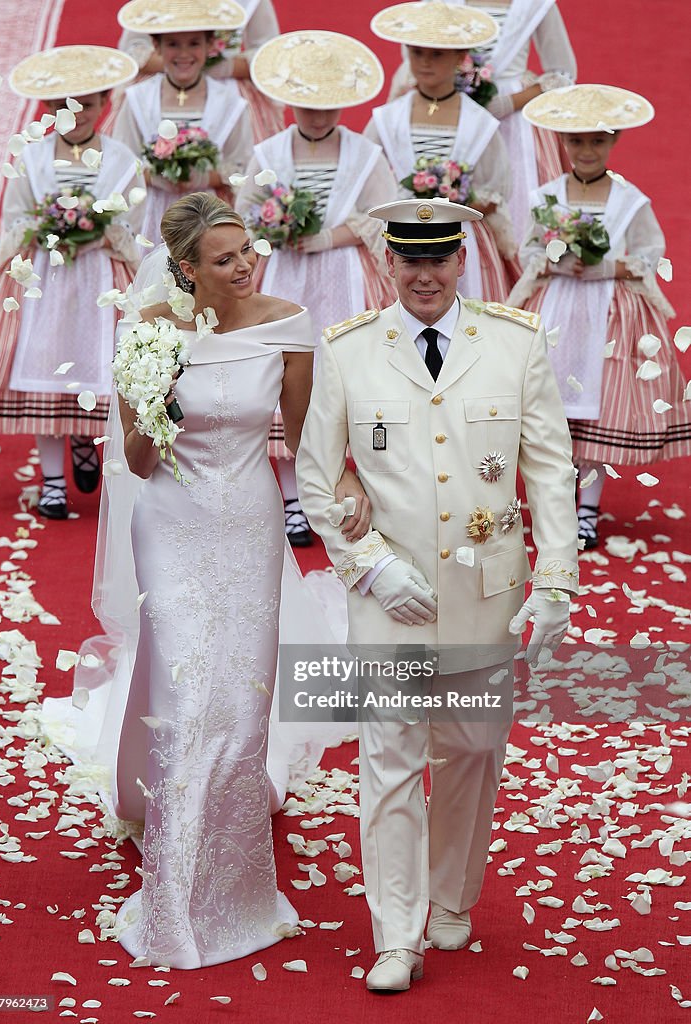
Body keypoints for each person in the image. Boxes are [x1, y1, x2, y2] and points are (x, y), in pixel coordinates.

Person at [41, 192, 367, 968]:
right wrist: (159, 403)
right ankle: (176, 893)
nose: (246, 265)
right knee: (189, 695)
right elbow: (140, 458)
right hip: (172, 522)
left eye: (247, 251)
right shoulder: (149, 329)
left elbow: (308, 437)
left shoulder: (287, 323)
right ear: (187, 270)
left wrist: (348, 498)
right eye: (225, 260)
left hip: (249, 519)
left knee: (241, 696)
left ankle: (240, 880)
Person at [296, 197, 579, 992]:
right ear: (389, 264)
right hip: (390, 598)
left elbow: (551, 467)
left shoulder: (514, 344)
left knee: (472, 753)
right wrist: (368, 564)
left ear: (462, 261)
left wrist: (556, 579)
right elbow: (318, 474)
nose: (425, 275)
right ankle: (396, 935)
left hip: (486, 591)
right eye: (409, 261)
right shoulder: (347, 350)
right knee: (388, 758)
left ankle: (451, 896)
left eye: (439, 260)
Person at [507, 84, 691, 549]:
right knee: (548, 405)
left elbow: (651, 251)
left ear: (613, 143)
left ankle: (587, 507)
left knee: (597, 405)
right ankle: (552, 501)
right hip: (554, 309)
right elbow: (528, 246)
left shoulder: (628, 199)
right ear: (563, 143)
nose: (586, 150)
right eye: (577, 141)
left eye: (597, 140)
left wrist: (609, 266)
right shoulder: (547, 196)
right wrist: (553, 259)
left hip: (605, 314)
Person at [236, 29, 397, 546]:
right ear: (288, 101)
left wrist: (330, 235)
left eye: (330, 105)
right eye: (307, 103)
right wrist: (271, 231)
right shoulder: (266, 151)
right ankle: (292, 497)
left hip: (347, 275)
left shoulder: (366, 155)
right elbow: (242, 220)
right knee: (281, 376)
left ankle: (356, 486)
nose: (318, 114)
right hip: (281, 277)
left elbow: (384, 217)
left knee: (347, 376)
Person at [0, 45, 143, 518]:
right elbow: (17, 216)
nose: (76, 114)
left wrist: (98, 229)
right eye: (63, 105)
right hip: (45, 279)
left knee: (99, 366)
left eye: (86, 103)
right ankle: (51, 481)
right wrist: (35, 238)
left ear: (105, 102)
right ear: (47, 109)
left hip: (101, 279)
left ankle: (88, 440)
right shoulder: (33, 156)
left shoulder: (123, 159)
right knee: (46, 368)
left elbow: (134, 221)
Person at [387, 0, 577, 244]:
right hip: (448, 114)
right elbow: (417, 55)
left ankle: (495, 270)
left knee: (511, 204)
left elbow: (563, 73)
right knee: (437, 198)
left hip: (513, 127)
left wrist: (509, 103)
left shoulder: (535, 3)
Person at [365, 2, 519, 303]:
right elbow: (366, 176)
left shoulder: (479, 123)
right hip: (401, 242)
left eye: (437, 54)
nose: (425, 63)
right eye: (417, 53)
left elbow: (496, 191)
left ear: (460, 57)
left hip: (462, 242)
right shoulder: (388, 118)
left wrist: (456, 202)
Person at [112, 0, 253, 243]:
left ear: (211, 45)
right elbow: (120, 162)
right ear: (156, 46)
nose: (184, 54)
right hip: (150, 217)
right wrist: (157, 177)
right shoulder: (137, 99)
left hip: (210, 216)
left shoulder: (231, 103)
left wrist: (203, 178)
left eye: (194, 43)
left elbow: (242, 167)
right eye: (173, 44)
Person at [115, 0, 285, 142]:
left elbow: (269, 56)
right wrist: (179, 63)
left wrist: (223, 66)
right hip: (161, 87)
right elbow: (132, 52)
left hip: (228, 90)